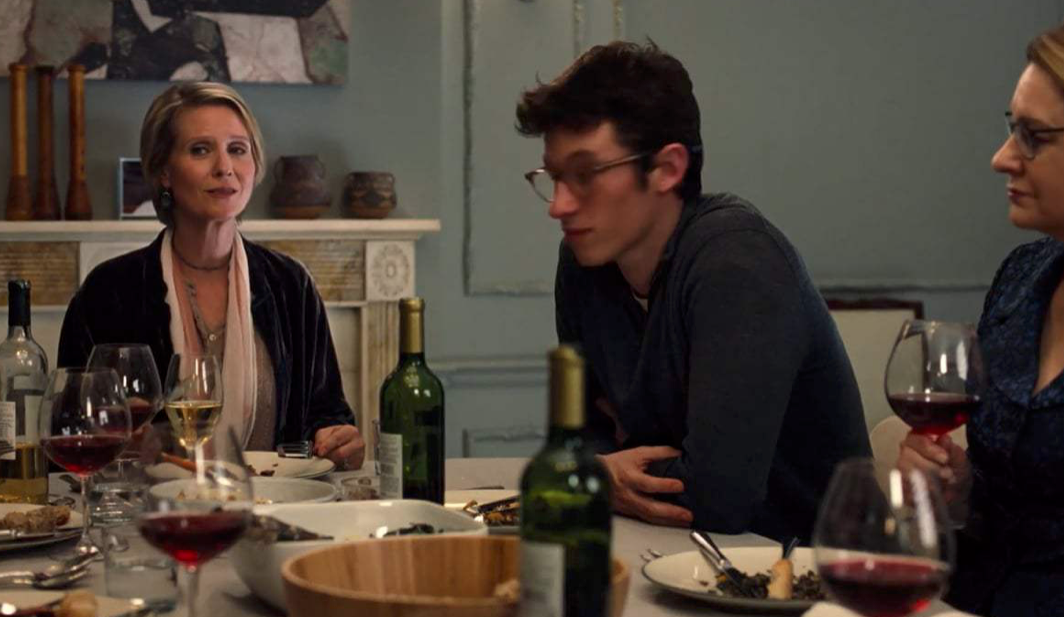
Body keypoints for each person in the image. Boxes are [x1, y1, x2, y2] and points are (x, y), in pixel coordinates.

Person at [514, 41, 870, 542]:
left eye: (586, 174)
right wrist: (604, 465)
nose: (559, 205)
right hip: (676, 552)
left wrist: (598, 474)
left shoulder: (738, 262)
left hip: (805, 567)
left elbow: (717, 496)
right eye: (553, 177)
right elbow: (586, 436)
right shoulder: (583, 261)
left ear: (667, 169)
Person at [57, 82, 364, 470]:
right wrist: (121, 446)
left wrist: (341, 442)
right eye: (200, 150)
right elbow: (69, 429)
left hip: (274, 500)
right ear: (164, 171)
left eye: (238, 149)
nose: (224, 167)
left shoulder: (291, 285)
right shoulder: (109, 291)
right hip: (149, 505)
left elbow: (327, 416)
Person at [898, 24, 1064, 617]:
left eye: (1032, 136)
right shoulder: (1023, 278)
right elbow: (1006, 504)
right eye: (1011, 128)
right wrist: (959, 490)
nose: (1001, 158)